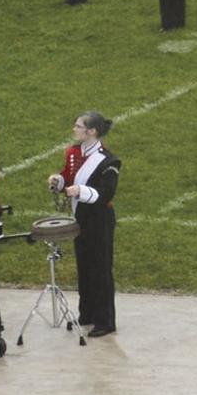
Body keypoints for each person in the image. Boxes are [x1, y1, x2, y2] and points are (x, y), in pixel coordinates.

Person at [47, 111, 120, 338]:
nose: (75, 129)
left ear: (92, 132)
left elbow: (105, 194)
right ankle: (86, 313)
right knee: (85, 268)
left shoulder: (109, 161)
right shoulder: (73, 153)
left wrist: (80, 191)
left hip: (100, 220)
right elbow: (68, 177)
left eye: (79, 126)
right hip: (81, 219)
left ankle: (105, 320)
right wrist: (58, 181)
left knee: (100, 270)